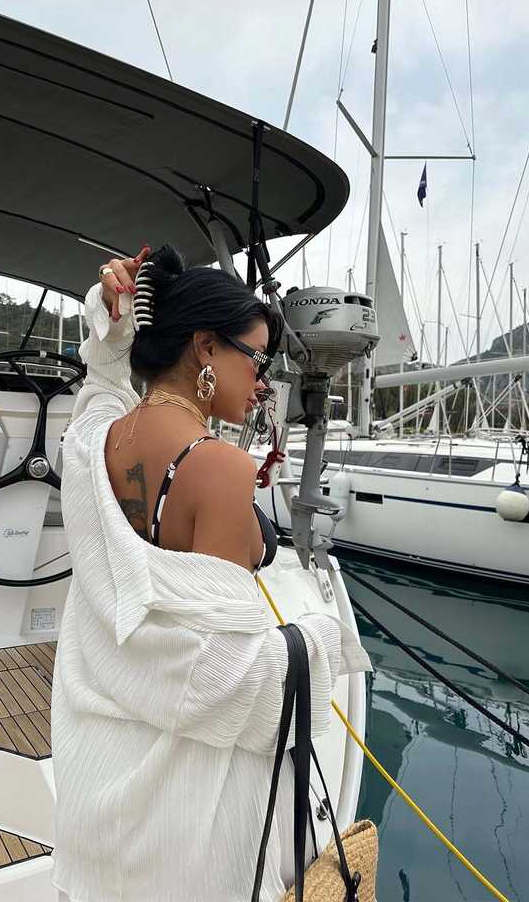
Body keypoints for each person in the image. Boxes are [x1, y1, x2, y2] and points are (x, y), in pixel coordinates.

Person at [51, 244, 371, 902]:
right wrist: (322, 634)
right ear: (204, 348)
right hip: (176, 825)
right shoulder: (218, 467)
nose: (264, 383)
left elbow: (101, 385)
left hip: (100, 785)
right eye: (256, 359)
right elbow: (227, 681)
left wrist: (112, 324)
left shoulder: (92, 440)